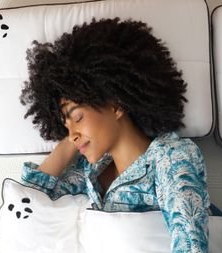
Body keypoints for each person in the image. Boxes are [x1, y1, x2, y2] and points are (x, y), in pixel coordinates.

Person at [20, 18, 209, 253]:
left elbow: (190, 244)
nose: (72, 134)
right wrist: (68, 142)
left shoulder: (170, 158)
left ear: (117, 106)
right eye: (65, 126)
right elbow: (26, 206)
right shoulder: (88, 173)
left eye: (78, 117)